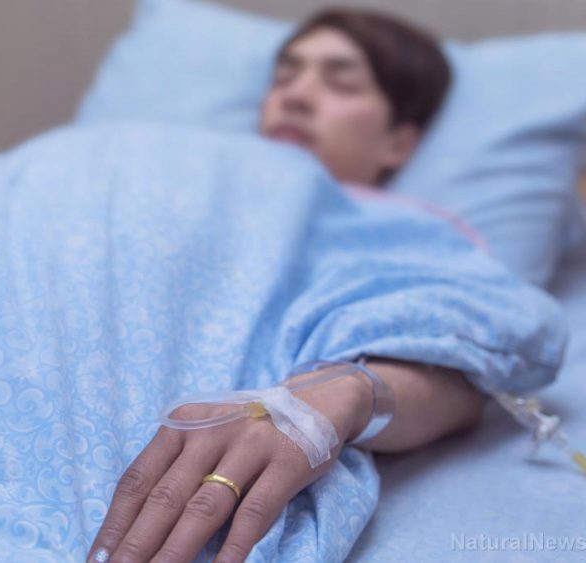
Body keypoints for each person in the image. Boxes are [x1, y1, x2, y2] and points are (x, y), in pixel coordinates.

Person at [87, 8, 485, 563]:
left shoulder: (414, 234)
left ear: (397, 143)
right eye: (284, 78)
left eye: (341, 82)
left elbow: (470, 375)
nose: (294, 96)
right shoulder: (162, 182)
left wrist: (343, 395)